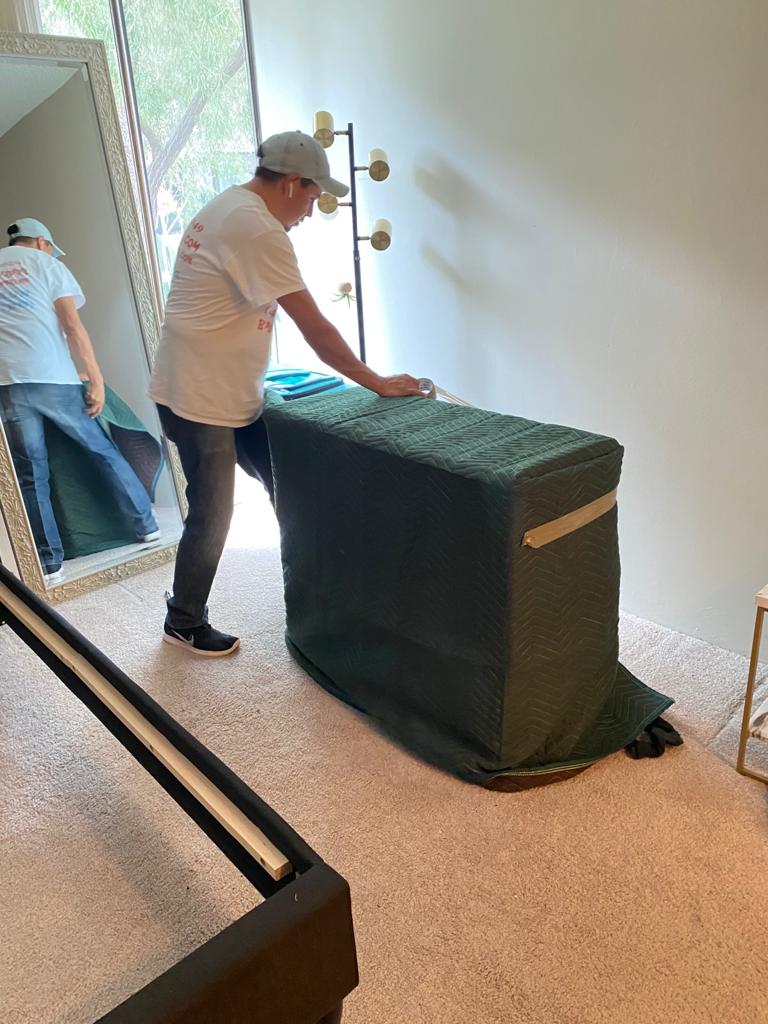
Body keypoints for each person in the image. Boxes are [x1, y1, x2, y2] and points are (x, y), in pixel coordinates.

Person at [149, 130, 427, 657]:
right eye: (314, 196)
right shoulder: (257, 229)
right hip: (199, 397)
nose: (310, 210)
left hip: (220, 389)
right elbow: (315, 328)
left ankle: (316, 593)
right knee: (214, 511)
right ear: (293, 184)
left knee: (289, 482)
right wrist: (377, 381)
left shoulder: (231, 204)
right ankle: (183, 619)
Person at [0, 218, 159, 582]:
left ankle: (48, 561)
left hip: (8, 380)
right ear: (43, 242)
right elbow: (72, 324)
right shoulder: (48, 264)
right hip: (52, 375)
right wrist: (95, 377)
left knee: (30, 471)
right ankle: (145, 525)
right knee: (100, 449)